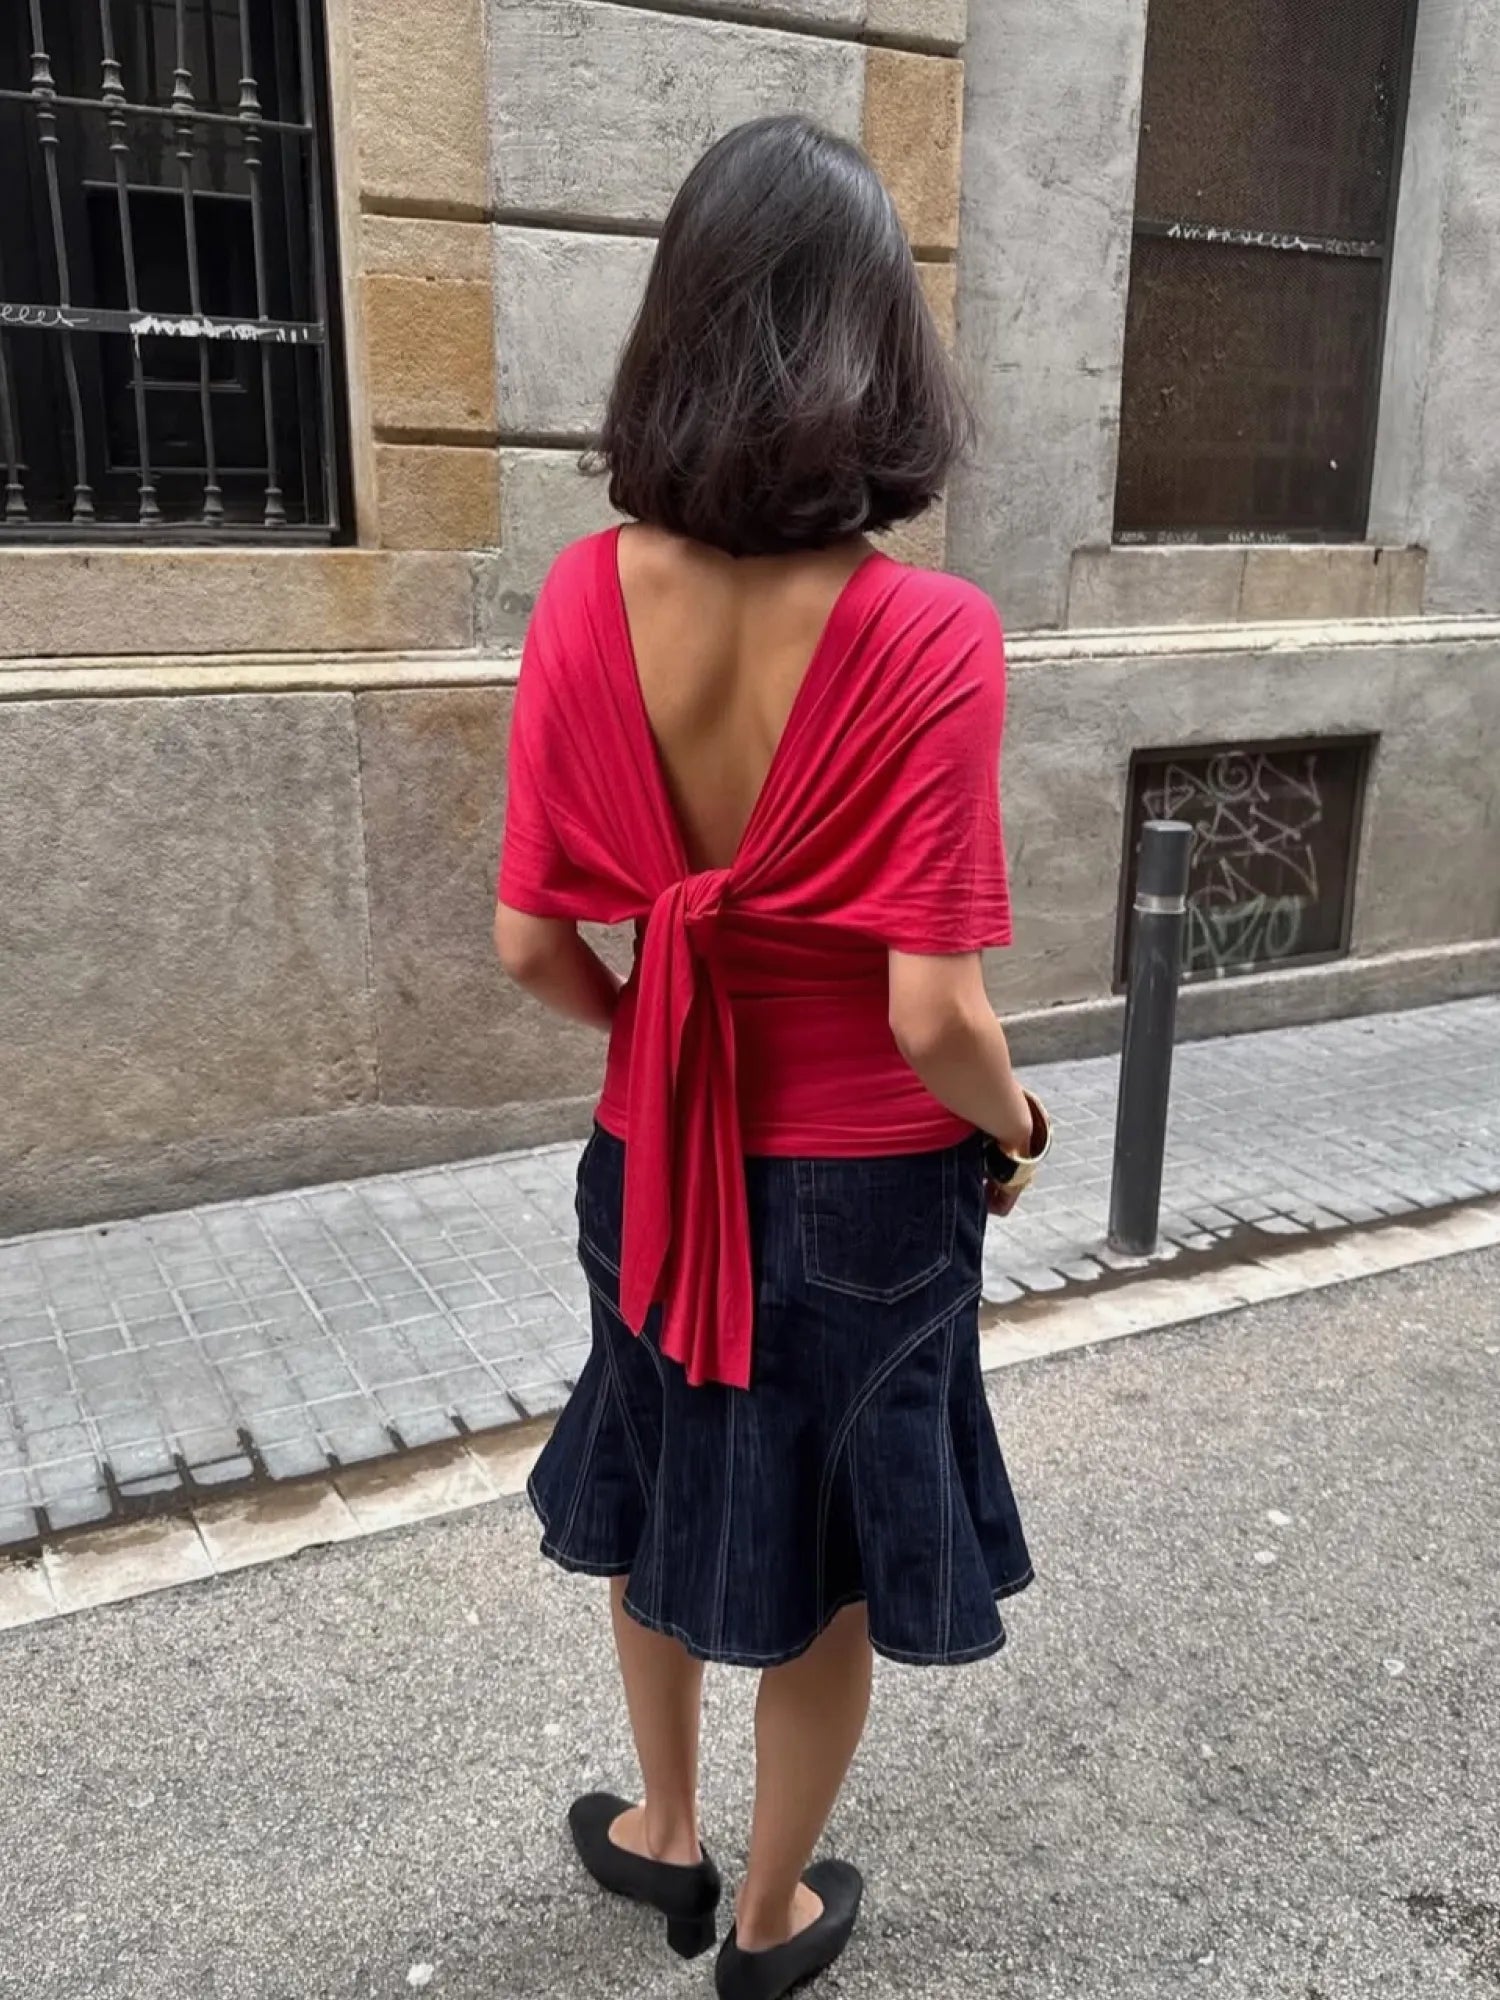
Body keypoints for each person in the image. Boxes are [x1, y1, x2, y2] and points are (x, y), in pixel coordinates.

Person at [494, 113, 1049, 2000]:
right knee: (829, 1555)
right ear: (879, 344)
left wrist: (660, 1042)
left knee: (656, 1473)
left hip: (649, 1159)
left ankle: (664, 1831)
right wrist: (1021, 1127)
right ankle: (768, 1914)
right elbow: (933, 1015)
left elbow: (530, 947)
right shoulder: (934, 635)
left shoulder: (584, 596)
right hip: (869, 1196)